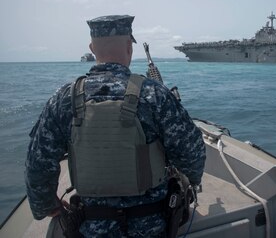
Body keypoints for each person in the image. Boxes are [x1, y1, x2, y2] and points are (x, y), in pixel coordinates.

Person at [25, 15, 206, 237]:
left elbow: (38, 164)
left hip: (91, 226)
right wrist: (192, 180)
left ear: (92, 48)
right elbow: (192, 153)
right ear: (129, 47)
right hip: (152, 226)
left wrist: (47, 206)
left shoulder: (64, 98)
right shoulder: (155, 94)